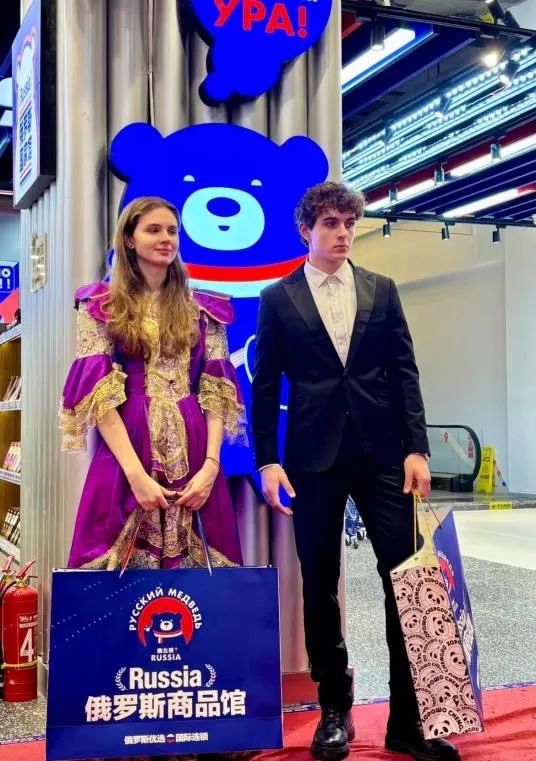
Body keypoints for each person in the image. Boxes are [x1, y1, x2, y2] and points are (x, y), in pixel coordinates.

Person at [251, 182, 460, 761]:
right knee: (319, 583)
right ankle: (333, 709)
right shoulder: (278, 299)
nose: (343, 233)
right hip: (311, 459)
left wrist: (417, 449)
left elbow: (404, 372)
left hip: (383, 454)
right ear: (306, 230)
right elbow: (264, 389)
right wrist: (267, 459)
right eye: (331, 224)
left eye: (349, 223)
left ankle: (409, 720)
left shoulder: (381, 290)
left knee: (407, 579)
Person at [60, 195, 245, 574]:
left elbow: (215, 393)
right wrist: (135, 475)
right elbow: (99, 397)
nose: (166, 239)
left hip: (195, 446)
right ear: (129, 239)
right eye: (154, 230)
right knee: (116, 579)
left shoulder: (204, 310)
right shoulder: (101, 305)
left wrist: (211, 467)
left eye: (172, 231)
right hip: (129, 444)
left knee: (201, 584)